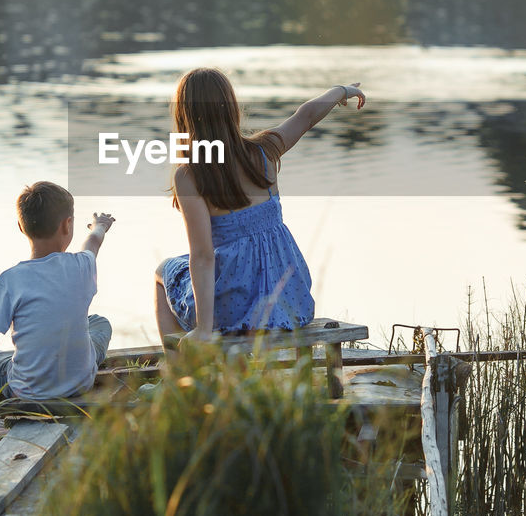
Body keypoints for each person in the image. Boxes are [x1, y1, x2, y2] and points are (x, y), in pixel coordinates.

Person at [155, 68, 367, 341]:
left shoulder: (190, 176)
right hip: (289, 300)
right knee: (184, 264)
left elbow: (204, 256)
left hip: (234, 308)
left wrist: (204, 329)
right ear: (231, 109)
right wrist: (342, 91)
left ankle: (182, 373)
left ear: (184, 116)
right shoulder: (265, 150)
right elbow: (306, 116)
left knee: (164, 271)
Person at [0, 181, 114, 400]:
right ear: (67, 225)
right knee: (100, 323)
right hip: (80, 384)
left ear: (20, 226)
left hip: (27, 390)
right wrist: (99, 225)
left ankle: (29, 359)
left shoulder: (8, 282)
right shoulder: (82, 265)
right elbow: (93, 242)